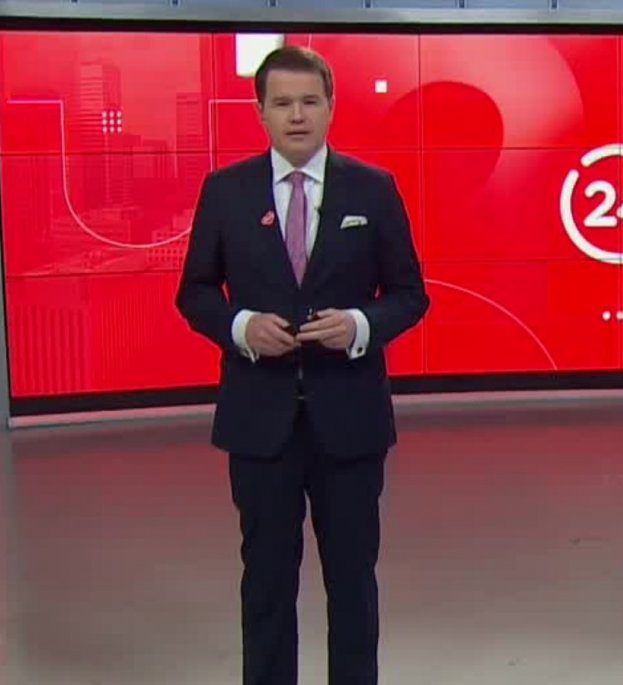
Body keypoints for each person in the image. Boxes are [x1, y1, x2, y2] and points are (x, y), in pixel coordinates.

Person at [175, 45, 429, 685]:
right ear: (259, 111)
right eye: (283, 103)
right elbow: (196, 292)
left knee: (353, 584)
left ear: (331, 108)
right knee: (265, 583)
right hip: (259, 424)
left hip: (350, 423)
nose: (297, 115)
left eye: (309, 101)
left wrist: (360, 325)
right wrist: (242, 327)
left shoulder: (373, 189)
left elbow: (409, 294)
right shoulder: (225, 191)